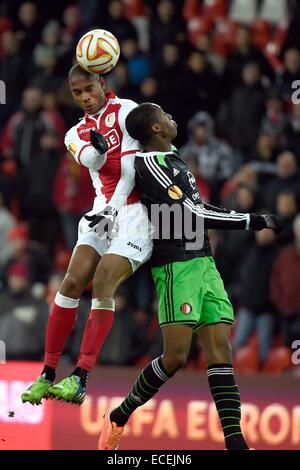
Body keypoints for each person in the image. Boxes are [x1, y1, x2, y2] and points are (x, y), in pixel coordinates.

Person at [98, 103, 282, 450]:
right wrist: (251, 221)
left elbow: (198, 208)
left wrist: (247, 216)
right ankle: (120, 415)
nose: (172, 117)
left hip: (203, 261)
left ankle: (235, 442)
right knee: (176, 358)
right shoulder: (149, 164)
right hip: (175, 265)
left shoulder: (175, 158)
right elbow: (193, 213)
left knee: (220, 351)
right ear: (154, 129)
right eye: (165, 115)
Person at [21, 65, 152, 405]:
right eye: (77, 93)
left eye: (88, 89)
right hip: (102, 212)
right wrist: (96, 148)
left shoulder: (128, 112)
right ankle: (47, 373)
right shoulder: (73, 133)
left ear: (101, 82)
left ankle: (80, 377)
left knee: (105, 280)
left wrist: (115, 204)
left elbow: (130, 170)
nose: (85, 98)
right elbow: (90, 158)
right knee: (72, 281)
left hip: (135, 214)